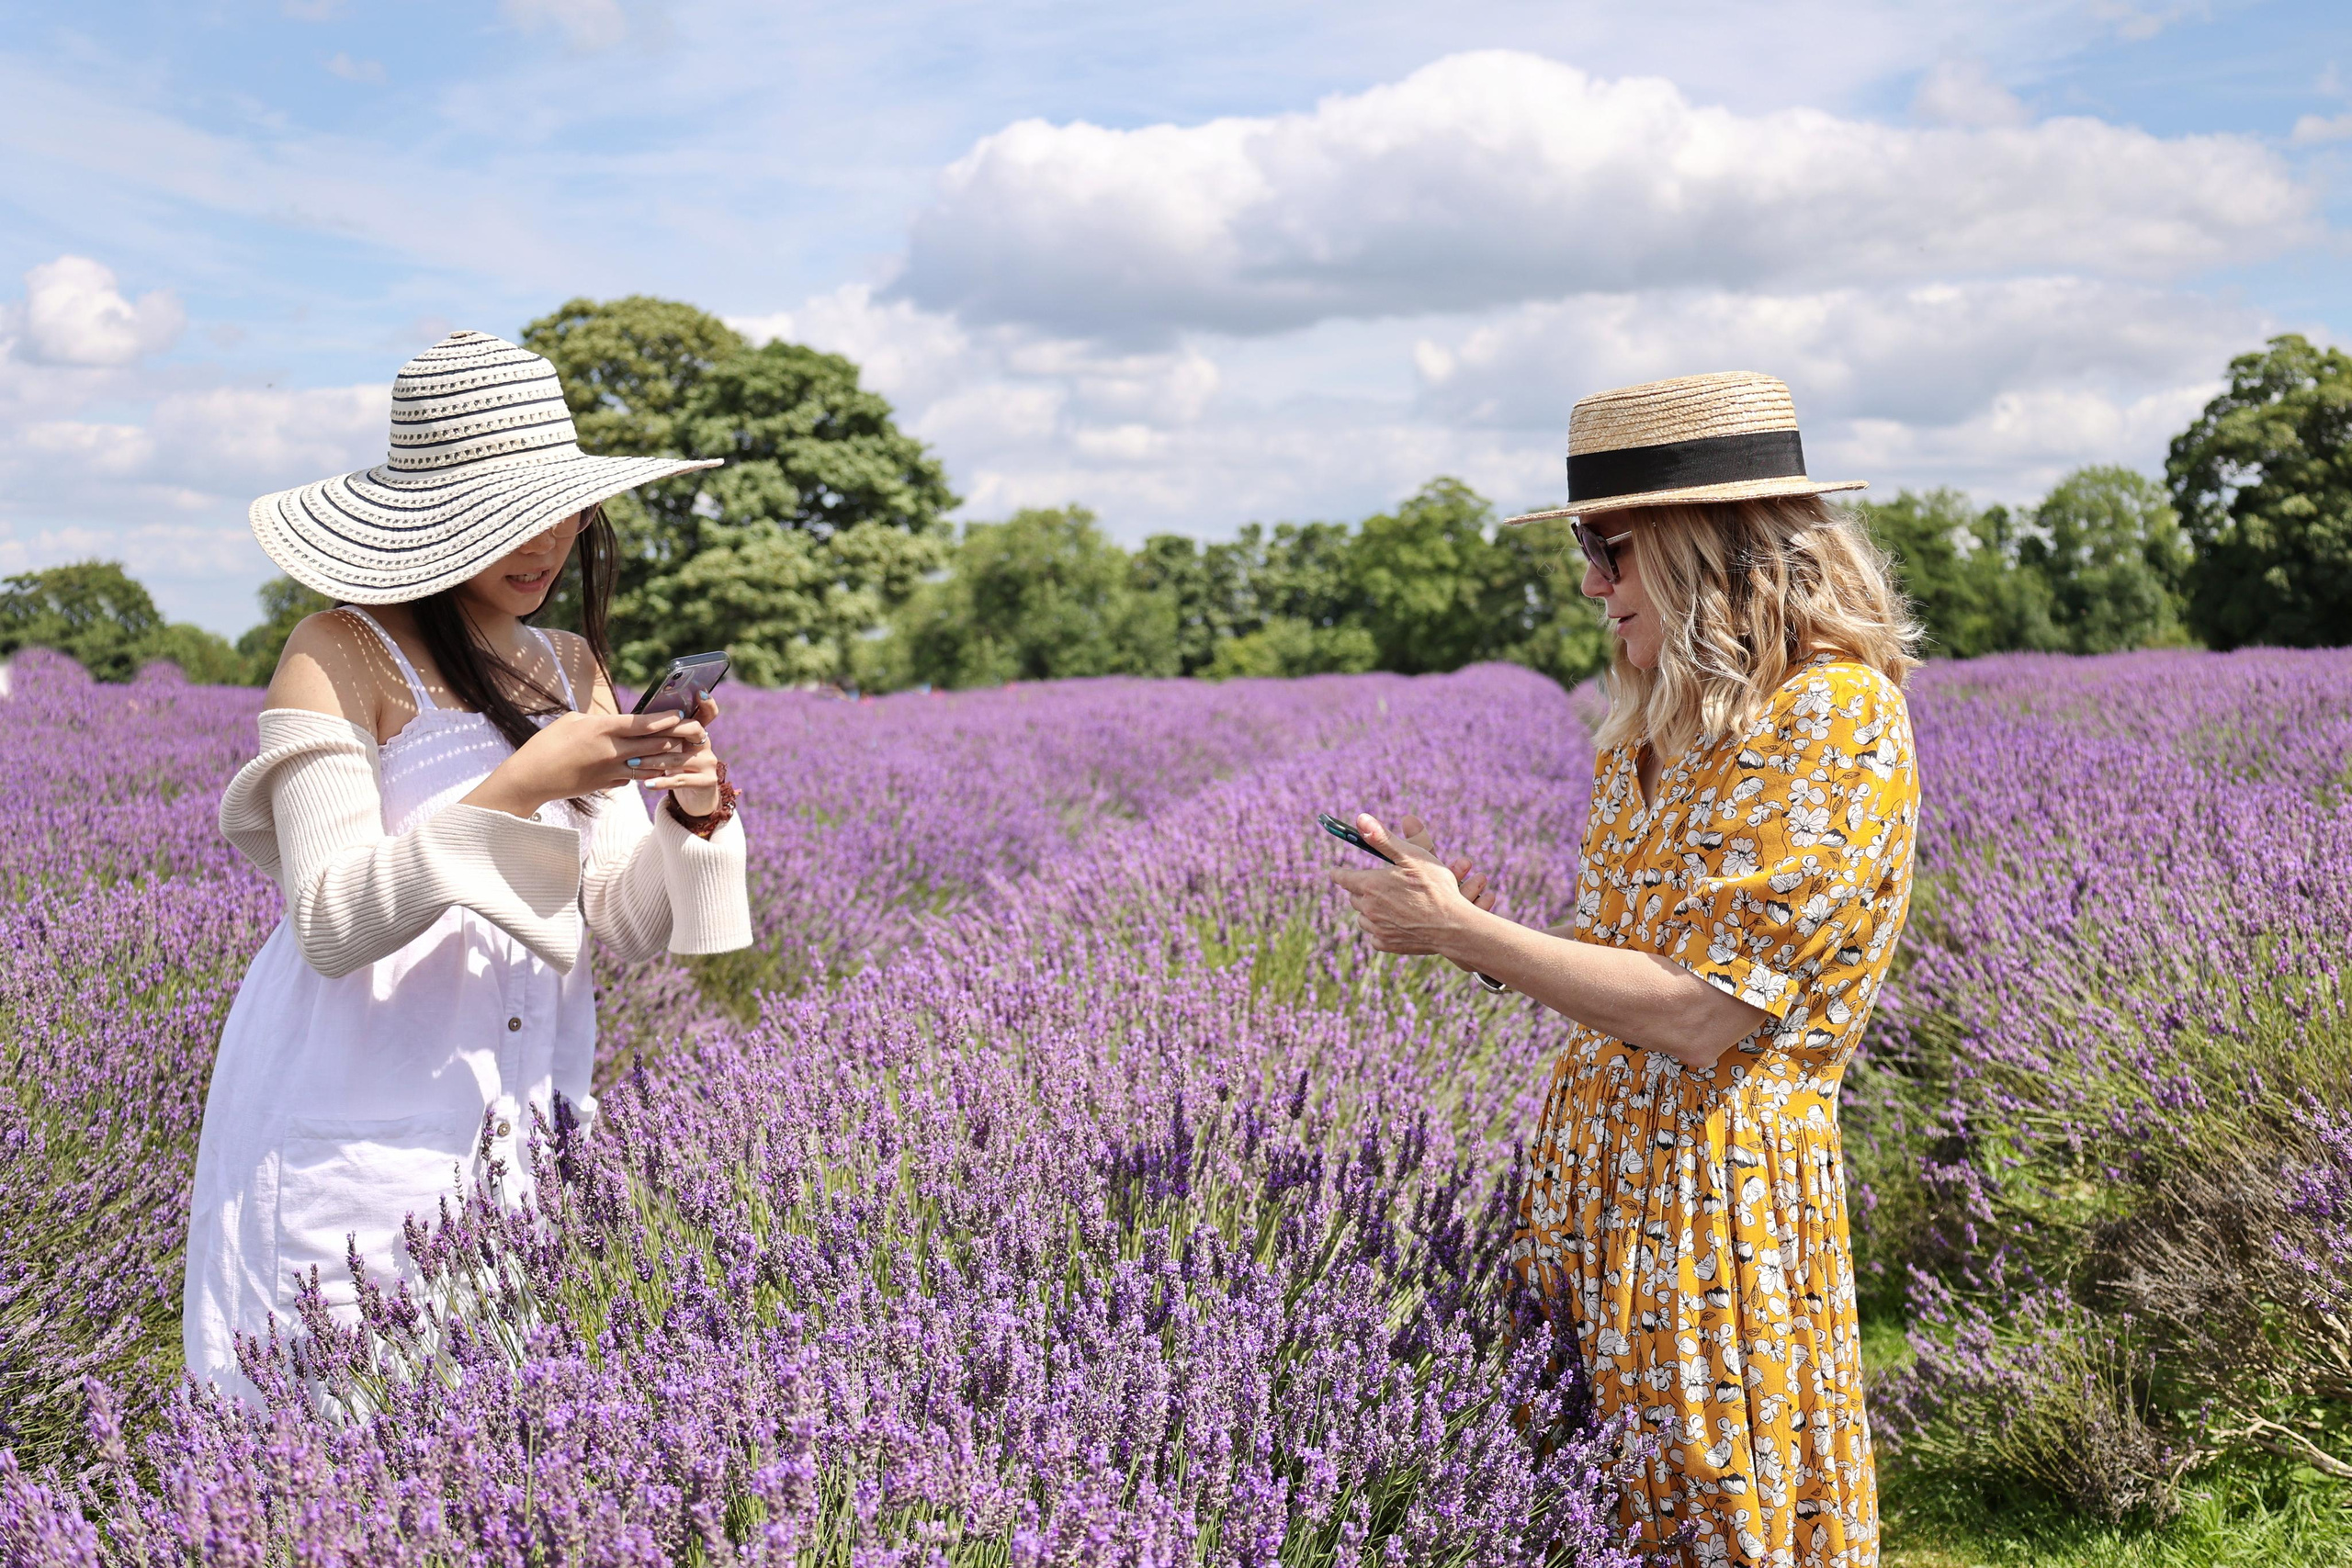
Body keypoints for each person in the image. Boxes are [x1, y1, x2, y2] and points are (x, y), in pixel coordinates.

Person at [1332, 372, 1919, 1567]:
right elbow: (1628, 972)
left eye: (1609, 548)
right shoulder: (1651, 725)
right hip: (1590, 1183)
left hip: (1716, 1200)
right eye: (1585, 552)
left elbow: (1704, 1016)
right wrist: (1474, 923)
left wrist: (1463, 932)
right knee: (1583, 1520)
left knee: (1711, 1515)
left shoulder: (1831, 717)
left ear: (1712, 546)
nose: (1591, 585)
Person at [184, 331, 753, 1401]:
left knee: (481, 1439)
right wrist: (523, 785)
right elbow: (330, 921)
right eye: (506, 518)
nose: (545, 543)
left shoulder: (570, 664)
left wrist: (692, 811)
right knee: (321, 1424)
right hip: (355, 1103)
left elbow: (624, 921)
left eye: (562, 509)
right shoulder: (338, 650)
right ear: (435, 518)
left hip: (519, 1114)